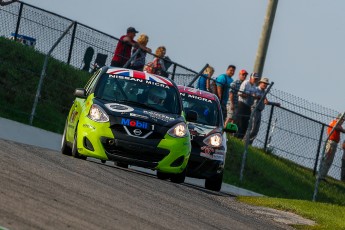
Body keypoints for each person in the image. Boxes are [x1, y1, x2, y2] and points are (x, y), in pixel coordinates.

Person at [319, 114, 345, 180]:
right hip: (332, 143)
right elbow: (339, 128)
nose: (343, 121)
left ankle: (322, 175)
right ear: (338, 118)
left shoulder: (335, 123)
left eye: (343, 120)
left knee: (328, 160)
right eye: (342, 119)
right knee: (327, 159)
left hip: (333, 143)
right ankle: (321, 176)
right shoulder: (335, 123)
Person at [247, 77, 270, 144]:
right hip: (254, 109)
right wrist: (260, 97)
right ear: (260, 83)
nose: (265, 85)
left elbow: (266, 101)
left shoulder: (264, 92)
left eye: (266, 84)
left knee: (256, 129)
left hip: (260, 111)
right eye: (264, 83)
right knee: (252, 127)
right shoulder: (256, 89)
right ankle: (245, 141)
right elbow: (253, 95)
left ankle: (250, 143)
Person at [236, 72, 259, 139]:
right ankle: (236, 136)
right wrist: (249, 95)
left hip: (248, 106)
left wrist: (255, 96)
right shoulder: (245, 83)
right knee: (240, 121)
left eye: (256, 79)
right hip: (242, 104)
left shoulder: (254, 86)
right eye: (254, 78)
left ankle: (240, 138)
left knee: (246, 123)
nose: (255, 80)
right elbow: (240, 93)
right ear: (251, 78)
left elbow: (255, 95)